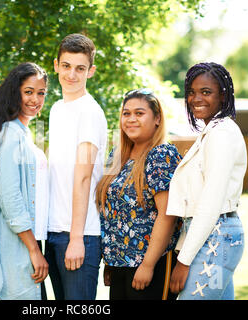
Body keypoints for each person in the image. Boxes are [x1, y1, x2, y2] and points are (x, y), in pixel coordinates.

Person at [167, 62, 247, 300]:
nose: (195, 98)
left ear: (223, 96)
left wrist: (183, 261)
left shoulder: (221, 134)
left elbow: (210, 203)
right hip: (217, 238)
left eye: (206, 92)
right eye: (191, 92)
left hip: (216, 241)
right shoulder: (212, 131)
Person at [95, 89, 182, 300]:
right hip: (118, 266)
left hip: (150, 265)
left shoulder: (161, 155)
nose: (131, 119)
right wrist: (111, 261)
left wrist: (148, 265)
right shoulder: (116, 156)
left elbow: (168, 214)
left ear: (157, 119)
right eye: (126, 113)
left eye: (139, 113)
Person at [0, 62, 49, 300]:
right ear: (15, 92)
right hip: (14, 241)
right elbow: (10, 197)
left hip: (26, 239)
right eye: (28, 91)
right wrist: (33, 249)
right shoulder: (9, 134)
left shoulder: (23, 133)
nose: (35, 99)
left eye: (41, 93)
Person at [45, 33, 108, 300]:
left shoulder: (89, 112)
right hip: (53, 231)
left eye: (80, 68)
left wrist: (76, 238)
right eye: (67, 66)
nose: (72, 74)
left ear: (90, 71)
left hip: (81, 235)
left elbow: (83, 178)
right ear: (56, 65)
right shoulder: (56, 109)